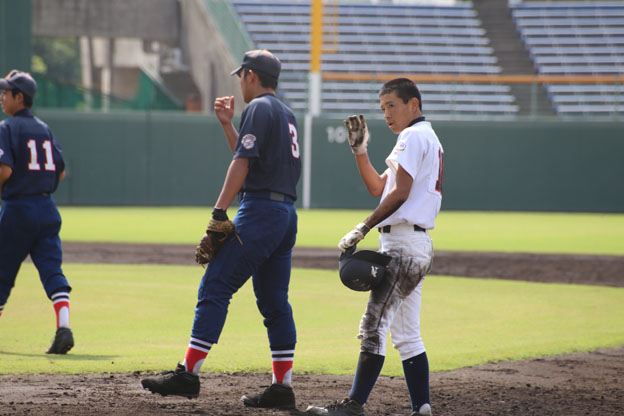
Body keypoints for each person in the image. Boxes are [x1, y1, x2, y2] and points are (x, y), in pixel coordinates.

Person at [141, 50, 302, 409]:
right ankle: (282, 386)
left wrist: (219, 210)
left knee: (215, 284)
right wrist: (228, 124)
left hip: (260, 211)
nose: (239, 82)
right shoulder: (285, 112)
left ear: (250, 75)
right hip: (284, 214)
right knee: (275, 303)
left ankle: (188, 373)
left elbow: (243, 164)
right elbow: (248, 158)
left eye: (240, 76)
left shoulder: (259, 109)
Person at [306, 78, 444, 416]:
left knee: (374, 325)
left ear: (413, 105)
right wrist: (360, 151)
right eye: (382, 108)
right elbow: (379, 187)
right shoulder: (423, 137)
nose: (386, 114)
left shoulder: (412, 136)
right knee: (407, 334)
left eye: (392, 106)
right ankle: (422, 408)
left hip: (403, 244)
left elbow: (400, 194)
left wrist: (363, 227)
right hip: (413, 243)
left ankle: (354, 405)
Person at [0, 70, 74, 354]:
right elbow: (62, 172)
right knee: (52, 270)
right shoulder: (44, 128)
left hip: (19, 208)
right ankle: (64, 327)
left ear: (20, 98)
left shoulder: (6, 128)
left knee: (2, 273)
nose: (2, 98)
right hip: (47, 208)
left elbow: (4, 170)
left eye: (6, 93)